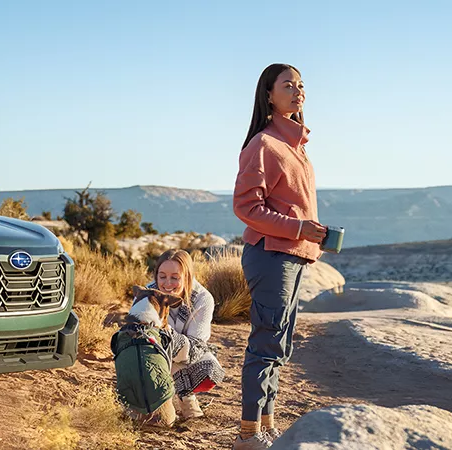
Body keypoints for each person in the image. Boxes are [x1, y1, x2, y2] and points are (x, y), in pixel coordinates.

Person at [231, 63, 328, 450]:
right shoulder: (263, 144)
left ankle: (266, 426)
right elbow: (246, 207)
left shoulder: (296, 146)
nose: (297, 90)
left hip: (294, 256)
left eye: (301, 85)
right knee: (267, 342)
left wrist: (309, 233)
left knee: (280, 344)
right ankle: (247, 434)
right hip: (270, 255)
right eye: (288, 85)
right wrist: (298, 228)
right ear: (268, 94)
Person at [127, 249, 223, 420]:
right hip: (151, 351)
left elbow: (196, 345)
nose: (167, 284)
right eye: (162, 276)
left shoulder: (202, 298)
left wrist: (166, 336)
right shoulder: (145, 294)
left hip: (185, 352)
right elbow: (134, 330)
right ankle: (147, 399)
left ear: (187, 276)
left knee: (209, 367)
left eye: (175, 277)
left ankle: (186, 396)